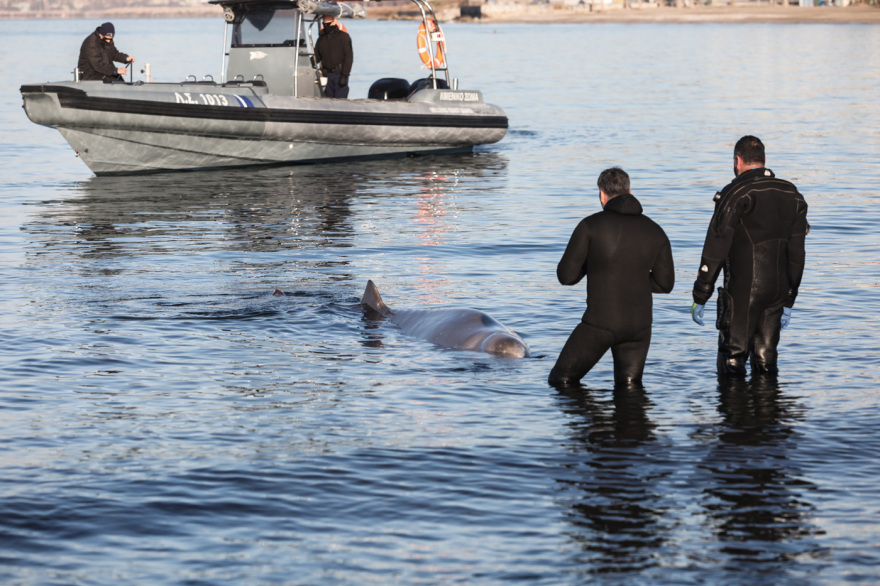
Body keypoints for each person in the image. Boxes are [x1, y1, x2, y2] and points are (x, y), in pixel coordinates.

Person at [691, 136, 809, 377]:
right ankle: (768, 412)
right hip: (778, 290)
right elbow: (797, 253)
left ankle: (733, 412)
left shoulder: (735, 193)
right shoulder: (793, 195)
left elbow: (716, 246)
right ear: (764, 161)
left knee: (733, 359)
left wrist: (701, 293)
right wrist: (790, 297)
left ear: (737, 161)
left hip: (743, 291)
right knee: (766, 359)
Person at [548, 167, 675, 387]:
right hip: (640, 327)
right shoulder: (656, 231)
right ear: (630, 191)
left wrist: (594, 265)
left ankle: (596, 422)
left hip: (600, 324)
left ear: (602, 195)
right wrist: (633, 279)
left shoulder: (590, 226)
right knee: (629, 389)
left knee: (561, 381)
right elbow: (666, 284)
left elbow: (566, 276)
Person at [314, 16, 353, 99]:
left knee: (340, 102)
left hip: (339, 75)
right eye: (325, 24)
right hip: (327, 75)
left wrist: (344, 75)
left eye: (329, 24)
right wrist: (306, 63)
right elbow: (316, 57)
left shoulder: (343, 37)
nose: (327, 26)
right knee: (327, 101)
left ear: (334, 22)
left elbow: (349, 57)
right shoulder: (321, 39)